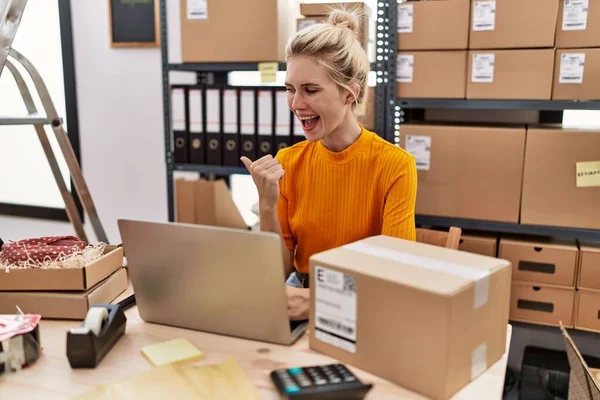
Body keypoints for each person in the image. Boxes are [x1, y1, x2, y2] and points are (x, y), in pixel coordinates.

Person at [241, 8, 417, 321]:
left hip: (366, 307)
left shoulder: (394, 165)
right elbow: (280, 271)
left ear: (350, 94)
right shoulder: (289, 162)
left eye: (310, 90)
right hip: (300, 297)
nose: (296, 104)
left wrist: (315, 303)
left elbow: (398, 276)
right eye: (290, 90)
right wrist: (267, 207)